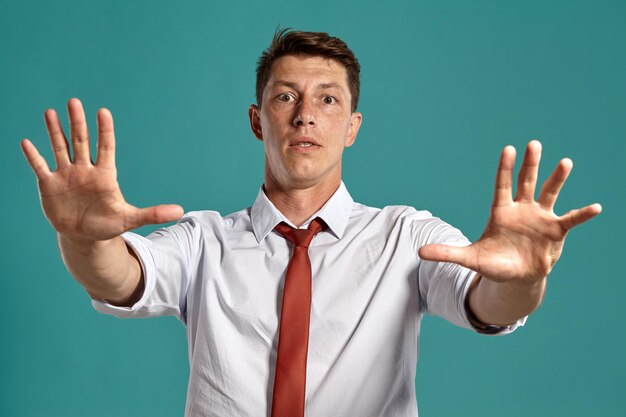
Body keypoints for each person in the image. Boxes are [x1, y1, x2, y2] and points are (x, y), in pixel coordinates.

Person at [21, 29, 601, 417]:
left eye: (328, 100)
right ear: (257, 120)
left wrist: (524, 279)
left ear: (352, 126)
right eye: (285, 97)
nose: (305, 115)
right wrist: (81, 237)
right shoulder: (204, 241)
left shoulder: (406, 237)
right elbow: (118, 276)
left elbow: (488, 302)